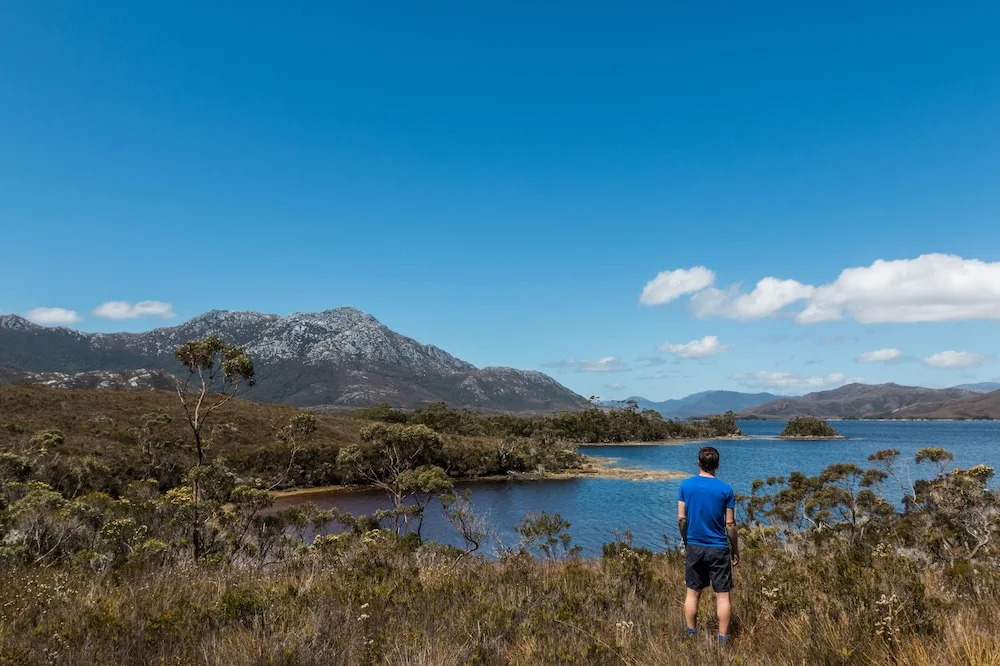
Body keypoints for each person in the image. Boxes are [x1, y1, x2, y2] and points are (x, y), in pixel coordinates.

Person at [677, 446, 739, 644]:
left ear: (698, 463)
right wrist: (735, 549)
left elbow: (681, 519)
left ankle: (691, 635)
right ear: (717, 465)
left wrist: (686, 541)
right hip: (719, 547)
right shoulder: (725, 489)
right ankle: (723, 640)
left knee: (693, 593)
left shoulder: (686, 486)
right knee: (722, 596)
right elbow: (730, 524)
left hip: (695, 546)